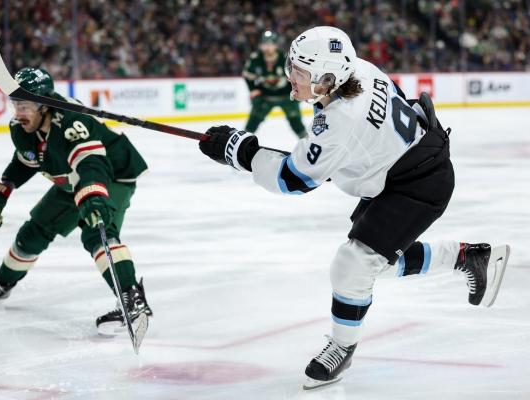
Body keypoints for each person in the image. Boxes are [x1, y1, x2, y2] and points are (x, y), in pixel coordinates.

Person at [199, 27, 510, 389]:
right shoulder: (359, 71)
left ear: (326, 78)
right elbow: (363, 131)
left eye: (298, 72)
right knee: (374, 265)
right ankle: (465, 257)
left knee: (353, 267)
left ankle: (342, 348)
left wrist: (242, 153)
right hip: (403, 167)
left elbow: (293, 179)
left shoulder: (338, 121)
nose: (289, 78)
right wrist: (341, 160)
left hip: (417, 183)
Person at [0, 67, 152, 336]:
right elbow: (28, 159)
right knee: (33, 232)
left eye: (25, 105)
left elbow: (92, 163)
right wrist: (2, 188)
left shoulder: (72, 122)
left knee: (97, 232)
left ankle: (132, 300)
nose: (18, 112)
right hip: (70, 178)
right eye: (16, 104)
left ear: (44, 105)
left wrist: (93, 197)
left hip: (112, 174)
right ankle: (1, 285)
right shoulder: (20, 127)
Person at [243, 31, 307, 139]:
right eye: (265, 44)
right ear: (260, 45)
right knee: (253, 121)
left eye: (270, 44)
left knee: (296, 122)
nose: (267, 47)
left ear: (276, 45)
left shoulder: (286, 57)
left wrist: (296, 90)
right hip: (265, 96)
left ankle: (306, 142)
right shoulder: (255, 58)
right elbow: (247, 75)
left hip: (286, 96)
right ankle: (243, 140)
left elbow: (297, 75)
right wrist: (253, 89)